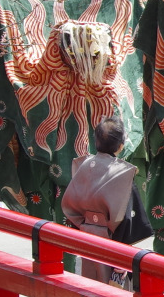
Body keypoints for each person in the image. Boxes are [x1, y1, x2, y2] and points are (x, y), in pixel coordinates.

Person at [60, 116, 139, 283]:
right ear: (121, 145)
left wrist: (85, 225)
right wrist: (124, 252)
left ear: (95, 141)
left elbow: (70, 204)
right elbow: (127, 218)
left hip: (87, 235)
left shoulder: (83, 164)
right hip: (113, 240)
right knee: (114, 293)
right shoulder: (122, 174)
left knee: (90, 283)